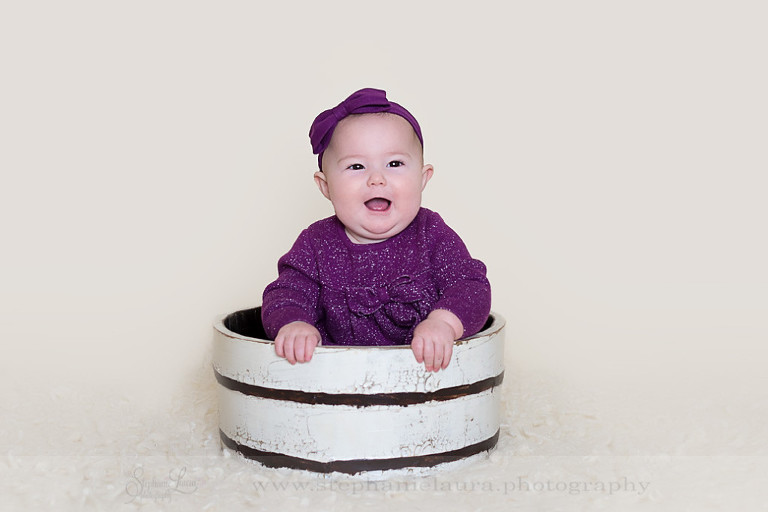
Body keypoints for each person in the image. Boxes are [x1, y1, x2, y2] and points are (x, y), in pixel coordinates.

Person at [261, 88, 491, 372]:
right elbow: (286, 292)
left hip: (423, 383)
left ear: (422, 178)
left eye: (394, 163)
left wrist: (443, 324)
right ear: (325, 186)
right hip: (334, 383)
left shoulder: (431, 234)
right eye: (356, 166)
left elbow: (469, 286)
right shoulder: (315, 244)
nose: (377, 179)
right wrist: (294, 324)